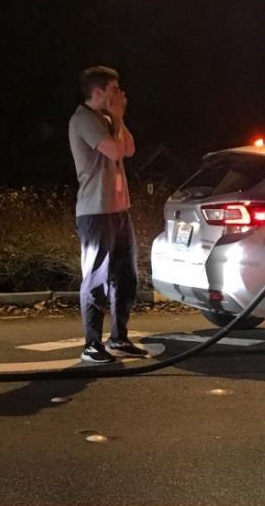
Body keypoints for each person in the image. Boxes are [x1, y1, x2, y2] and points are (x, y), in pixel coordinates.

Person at [68, 66, 148, 363]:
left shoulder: (107, 120)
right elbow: (113, 151)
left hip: (119, 210)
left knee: (125, 276)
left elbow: (129, 149)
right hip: (96, 211)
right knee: (96, 276)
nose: (120, 94)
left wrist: (118, 117)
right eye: (114, 89)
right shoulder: (84, 119)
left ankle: (119, 338)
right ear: (98, 91)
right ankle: (91, 345)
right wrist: (116, 116)